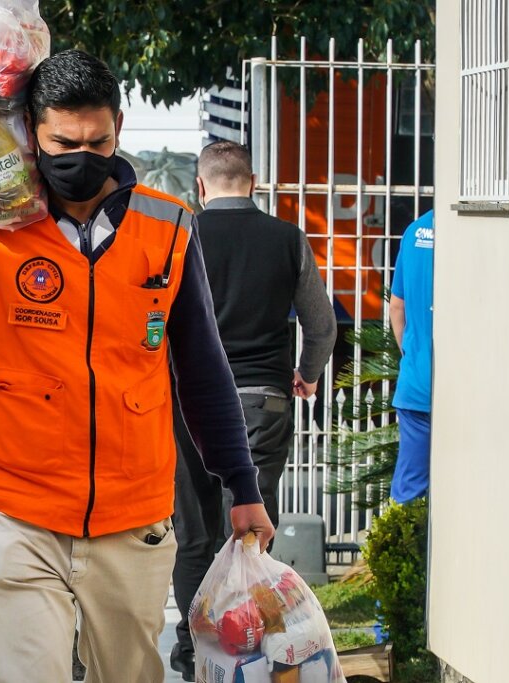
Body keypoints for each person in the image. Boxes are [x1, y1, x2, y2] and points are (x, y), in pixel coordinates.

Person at [0, 49, 273, 682]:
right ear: (30, 131)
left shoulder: (168, 226)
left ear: (119, 128)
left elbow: (202, 369)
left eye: (98, 141)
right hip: (18, 516)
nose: (82, 157)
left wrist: (243, 486)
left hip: (132, 520)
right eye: (64, 142)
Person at [168, 140, 338, 679]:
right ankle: (249, 649)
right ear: (254, 183)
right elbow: (322, 324)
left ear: (200, 186)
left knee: (194, 533)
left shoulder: (181, 234)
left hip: (187, 405)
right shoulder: (287, 238)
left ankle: (194, 649)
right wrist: (307, 372)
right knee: (249, 530)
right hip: (262, 401)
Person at [388, 209, 434, 504]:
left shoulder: (415, 230)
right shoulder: (472, 230)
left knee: (410, 489)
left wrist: (411, 353)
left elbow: (396, 306)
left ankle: (400, 534)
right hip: (465, 389)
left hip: (416, 383)